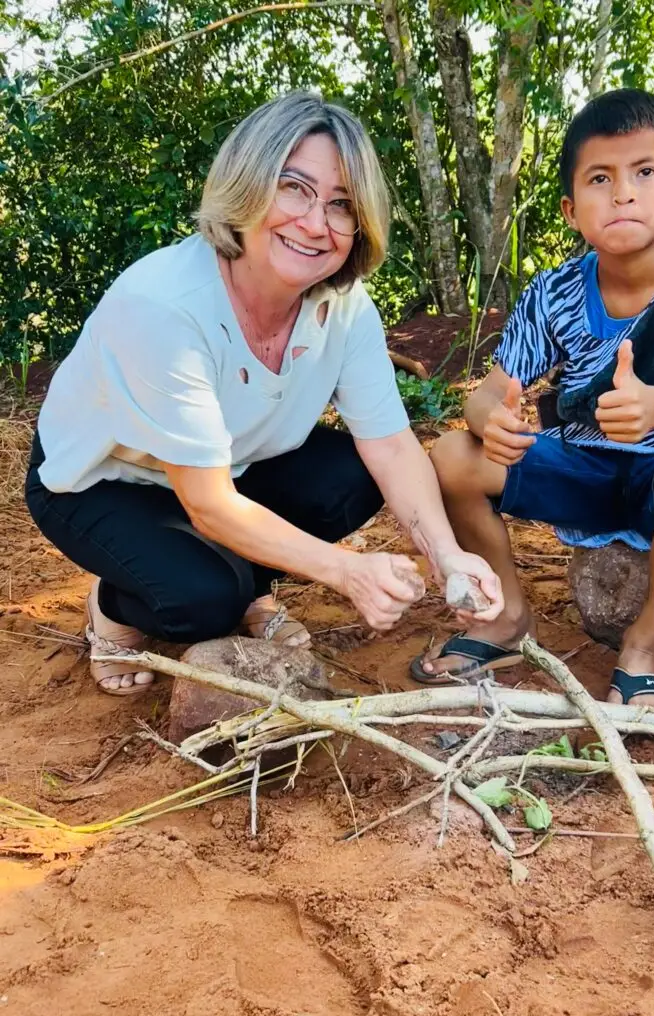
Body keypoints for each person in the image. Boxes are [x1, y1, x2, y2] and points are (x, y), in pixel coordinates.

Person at [26, 91, 503, 696]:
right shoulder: (164, 307)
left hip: (229, 467)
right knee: (202, 602)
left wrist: (446, 553)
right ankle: (118, 605)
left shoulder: (344, 308)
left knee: (352, 477)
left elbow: (389, 443)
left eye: (341, 204)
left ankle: (242, 583)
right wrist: (345, 571)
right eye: (294, 188)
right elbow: (207, 505)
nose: (314, 223)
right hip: (99, 480)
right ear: (247, 184)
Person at [414, 88, 654, 709]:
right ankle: (507, 616)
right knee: (450, 456)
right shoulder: (554, 291)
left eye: (646, 172)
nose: (623, 193)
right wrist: (489, 417)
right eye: (600, 178)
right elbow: (494, 389)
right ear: (572, 209)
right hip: (586, 468)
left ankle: (646, 644)